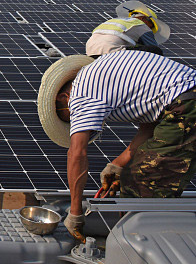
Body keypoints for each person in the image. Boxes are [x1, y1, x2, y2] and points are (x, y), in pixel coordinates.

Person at [37, 50, 196, 240]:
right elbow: (151, 124)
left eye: (68, 117)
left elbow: (76, 153)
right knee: (137, 174)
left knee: (142, 185)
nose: (75, 122)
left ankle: (152, 250)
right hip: (185, 103)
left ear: (64, 98)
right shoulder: (102, 74)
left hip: (186, 107)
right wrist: (118, 164)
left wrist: (75, 212)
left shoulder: (80, 94)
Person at [86, 0, 169, 57]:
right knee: (154, 50)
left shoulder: (115, 21)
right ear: (144, 19)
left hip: (90, 51)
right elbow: (153, 48)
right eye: (151, 26)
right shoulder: (141, 25)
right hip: (112, 51)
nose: (150, 29)